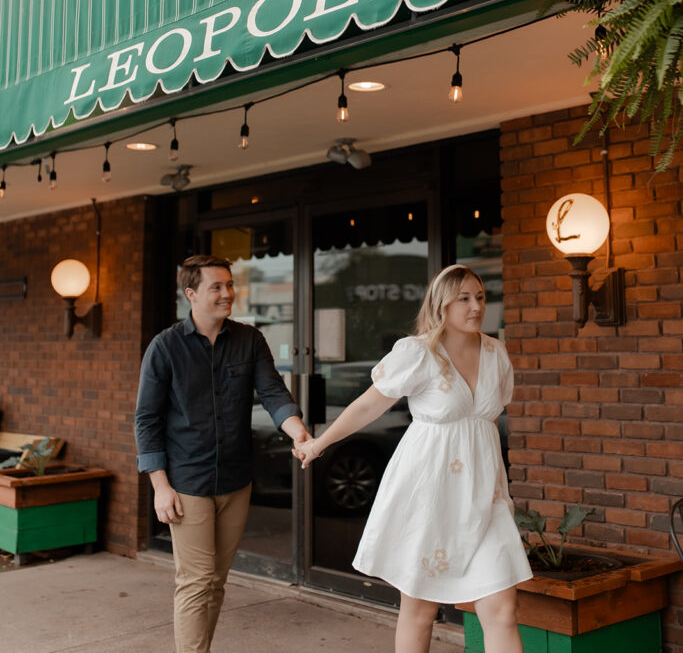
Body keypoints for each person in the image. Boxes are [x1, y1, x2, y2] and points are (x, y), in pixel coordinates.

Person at [293, 264, 531, 653]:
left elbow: (489, 415)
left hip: (485, 497)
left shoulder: (496, 352)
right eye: (464, 299)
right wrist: (319, 443)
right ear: (442, 305)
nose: (476, 306)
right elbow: (369, 405)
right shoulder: (418, 353)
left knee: (503, 611)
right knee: (420, 611)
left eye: (481, 297)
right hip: (430, 494)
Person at [135, 254, 311, 653]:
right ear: (191, 294)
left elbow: (272, 393)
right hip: (187, 483)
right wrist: (159, 486)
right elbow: (146, 420)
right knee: (196, 581)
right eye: (217, 287)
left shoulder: (249, 340)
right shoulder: (165, 347)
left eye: (230, 285)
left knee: (215, 580)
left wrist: (297, 431)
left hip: (235, 481)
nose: (227, 293)